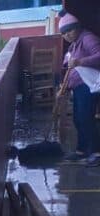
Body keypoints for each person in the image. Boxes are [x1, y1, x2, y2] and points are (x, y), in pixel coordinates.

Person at [60, 13, 100, 165]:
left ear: (77, 28)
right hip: (78, 87)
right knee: (78, 119)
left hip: (89, 85)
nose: (67, 35)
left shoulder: (87, 38)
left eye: (69, 30)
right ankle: (81, 151)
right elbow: (69, 66)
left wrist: (80, 61)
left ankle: (96, 152)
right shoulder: (74, 45)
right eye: (64, 33)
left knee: (86, 118)